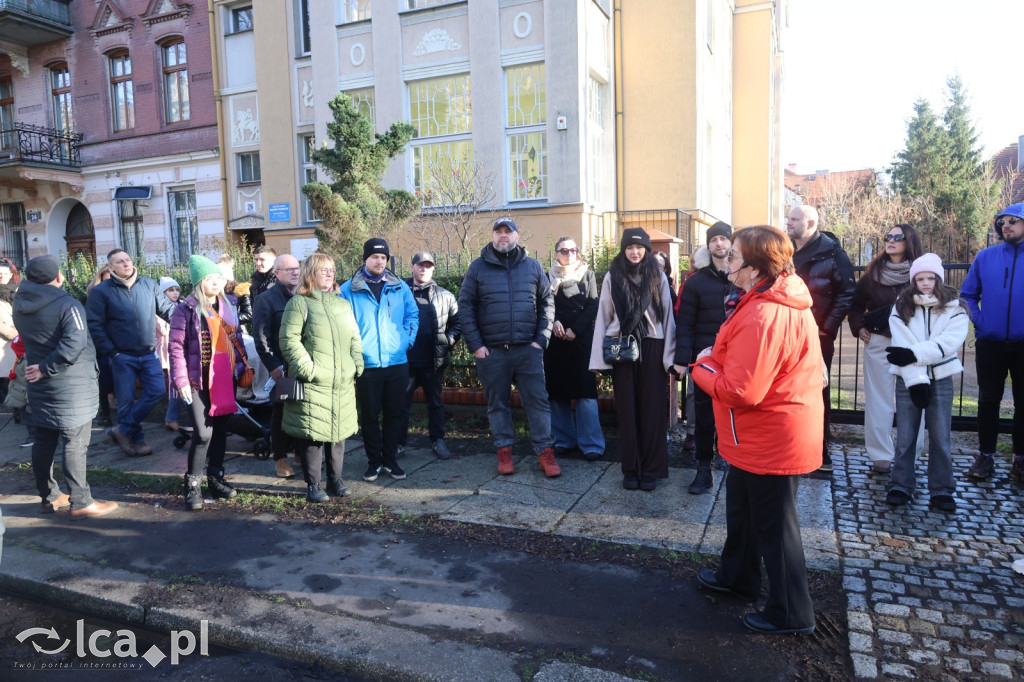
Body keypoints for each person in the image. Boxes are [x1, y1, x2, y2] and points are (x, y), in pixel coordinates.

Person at [692, 225, 822, 636]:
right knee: (744, 514)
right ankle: (739, 578)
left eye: (733, 257)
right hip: (753, 436)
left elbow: (742, 389)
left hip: (770, 437)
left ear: (755, 267)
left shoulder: (766, 312)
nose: (727, 262)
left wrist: (703, 366)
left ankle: (791, 613)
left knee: (775, 529)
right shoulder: (765, 299)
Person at [13, 255, 119, 518]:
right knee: (74, 442)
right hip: (71, 385)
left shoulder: (20, 301)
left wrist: (41, 368)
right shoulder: (68, 304)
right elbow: (75, 344)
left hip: (38, 381)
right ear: (58, 277)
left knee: (44, 440)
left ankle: (49, 497)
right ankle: (81, 502)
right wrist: (47, 367)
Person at [459, 218, 560, 478]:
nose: (503, 236)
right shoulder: (477, 268)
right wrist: (477, 346)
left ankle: (545, 452)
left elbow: (547, 303)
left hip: (528, 350)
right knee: (497, 404)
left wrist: (541, 340)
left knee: (538, 402)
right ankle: (504, 450)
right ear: (493, 236)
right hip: (492, 352)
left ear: (517, 236)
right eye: (499, 232)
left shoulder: (533, 267)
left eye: (508, 231)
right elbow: (466, 307)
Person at [590, 227, 676, 490]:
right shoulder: (612, 277)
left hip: (652, 345)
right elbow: (604, 315)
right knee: (627, 411)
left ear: (647, 250)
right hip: (622, 346)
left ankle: (650, 470)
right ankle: (630, 469)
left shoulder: (657, 275)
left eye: (639, 247)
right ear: (623, 250)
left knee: (652, 411)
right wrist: (599, 360)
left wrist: (669, 357)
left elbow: (668, 317)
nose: (635, 252)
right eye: (630, 247)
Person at [884, 253, 968, 512]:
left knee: (941, 436)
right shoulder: (900, 307)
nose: (926, 283)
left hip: (941, 378)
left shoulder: (955, 308)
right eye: (920, 278)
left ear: (939, 278)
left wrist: (915, 355)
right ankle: (901, 483)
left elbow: (949, 343)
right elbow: (901, 343)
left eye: (931, 278)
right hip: (907, 380)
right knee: (906, 435)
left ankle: (942, 488)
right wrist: (917, 380)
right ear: (913, 281)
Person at [280, 253, 363, 502]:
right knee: (313, 436)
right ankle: (313, 485)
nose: (330, 274)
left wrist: (356, 364)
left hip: (341, 383)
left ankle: (335, 480)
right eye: (324, 270)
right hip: (314, 383)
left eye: (332, 269)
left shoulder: (342, 304)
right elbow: (289, 340)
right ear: (310, 274)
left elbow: (354, 338)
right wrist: (309, 370)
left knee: (338, 434)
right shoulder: (299, 303)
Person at [169, 256, 248, 512]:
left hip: (225, 378)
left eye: (217, 278)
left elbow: (236, 339)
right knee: (203, 434)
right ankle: (192, 485)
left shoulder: (229, 305)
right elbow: (176, 348)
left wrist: (243, 366)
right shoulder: (185, 309)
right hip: (197, 381)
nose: (215, 282)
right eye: (209, 278)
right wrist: (180, 381)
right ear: (198, 282)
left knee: (221, 431)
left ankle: (215, 478)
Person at [847, 224, 923, 474]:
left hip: (913, 344)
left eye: (897, 237)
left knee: (915, 398)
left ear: (909, 240)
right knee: (878, 401)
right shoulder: (873, 273)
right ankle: (881, 455)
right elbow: (855, 305)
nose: (890, 240)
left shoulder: (921, 272)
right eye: (887, 236)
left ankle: (910, 453)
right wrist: (858, 327)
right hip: (879, 342)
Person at [340, 238, 418, 481]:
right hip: (367, 364)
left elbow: (412, 315)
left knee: (395, 413)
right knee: (370, 416)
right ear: (365, 259)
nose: (379, 261)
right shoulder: (347, 290)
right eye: (374, 257)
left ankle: (390, 461)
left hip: (397, 362)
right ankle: (374, 462)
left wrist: (406, 341)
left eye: (383, 257)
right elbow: (342, 325)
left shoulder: (399, 287)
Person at [86, 249, 176, 457]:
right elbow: (95, 326)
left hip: (147, 353)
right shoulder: (101, 292)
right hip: (121, 356)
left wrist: (188, 323)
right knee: (125, 401)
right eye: (120, 262)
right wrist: (112, 352)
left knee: (156, 390)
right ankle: (136, 439)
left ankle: (122, 430)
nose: (126, 264)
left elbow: (168, 310)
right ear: (110, 267)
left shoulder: (148, 284)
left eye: (127, 260)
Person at [786, 204, 855, 472]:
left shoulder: (833, 253)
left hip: (818, 337)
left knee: (817, 391)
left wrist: (826, 327)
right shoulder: (785, 249)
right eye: (789, 218)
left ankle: (820, 449)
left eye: (794, 219)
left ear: (811, 224)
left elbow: (847, 292)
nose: (788, 222)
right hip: (787, 333)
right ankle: (791, 446)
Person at [961, 203, 1024, 482]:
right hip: (990, 342)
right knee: (988, 400)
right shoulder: (985, 257)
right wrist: (980, 322)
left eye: (1012, 220)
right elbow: (967, 295)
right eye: (1001, 222)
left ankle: (1020, 459)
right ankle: (985, 456)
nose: (1005, 225)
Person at [673, 221, 733, 494]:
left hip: (738, 359)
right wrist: (682, 360)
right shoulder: (696, 281)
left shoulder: (743, 278)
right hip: (705, 359)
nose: (719, 244)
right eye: (714, 240)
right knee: (705, 417)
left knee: (737, 416)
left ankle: (737, 469)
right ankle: (703, 470)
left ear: (731, 243)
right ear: (708, 246)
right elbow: (684, 324)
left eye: (723, 238)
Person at [544, 237, 604, 460]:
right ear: (557, 253)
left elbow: (593, 304)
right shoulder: (546, 276)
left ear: (577, 252)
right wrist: (554, 322)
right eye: (563, 250)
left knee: (586, 393)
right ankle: (564, 441)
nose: (568, 253)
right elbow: (544, 304)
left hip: (580, 340)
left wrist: (575, 329)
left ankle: (592, 445)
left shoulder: (586, 274)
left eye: (572, 250)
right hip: (556, 341)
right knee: (557, 393)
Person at [399, 251, 460, 459]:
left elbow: (457, 323)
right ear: (412, 267)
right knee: (401, 406)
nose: (423, 269)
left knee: (435, 404)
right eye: (420, 265)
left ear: (433, 268)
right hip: (405, 362)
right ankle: (398, 443)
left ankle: (437, 440)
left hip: (433, 362)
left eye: (428, 265)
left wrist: (448, 341)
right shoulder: (399, 293)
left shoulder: (445, 296)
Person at [252, 253, 302, 477]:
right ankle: (280, 456)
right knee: (281, 410)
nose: (295, 272)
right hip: (281, 366)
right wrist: (273, 364)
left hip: (303, 364)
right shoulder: (266, 299)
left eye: (297, 268)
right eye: (288, 269)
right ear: (276, 273)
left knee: (302, 408)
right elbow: (262, 337)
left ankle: (301, 451)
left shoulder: (304, 295)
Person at [86, 265, 116, 426]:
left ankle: (114, 408)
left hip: (117, 339)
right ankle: (105, 414)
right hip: (100, 341)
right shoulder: (95, 293)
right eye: (107, 278)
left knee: (117, 377)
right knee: (103, 377)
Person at [155, 277, 182, 431]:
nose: (175, 293)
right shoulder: (157, 309)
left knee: (176, 383)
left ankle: (172, 417)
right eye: (170, 290)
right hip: (165, 349)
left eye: (177, 289)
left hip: (178, 347)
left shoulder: (180, 306)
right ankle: (171, 418)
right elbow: (163, 329)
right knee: (173, 383)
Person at [0, 281, 16, 405]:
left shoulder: (16, 292)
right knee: (5, 375)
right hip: (4, 341)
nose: (1, 277)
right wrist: (13, 333)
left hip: (17, 345)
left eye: (4, 273)